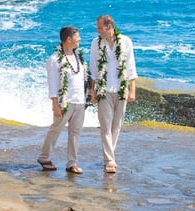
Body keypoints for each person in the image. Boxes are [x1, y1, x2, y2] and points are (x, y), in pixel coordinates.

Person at [38, 26, 89, 174]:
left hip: (80, 101)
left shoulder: (79, 57)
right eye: (77, 37)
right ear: (69, 39)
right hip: (64, 102)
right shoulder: (55, 59)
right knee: (55, 129)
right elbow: (53, 83)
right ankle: (44, 157)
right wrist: (55, 104)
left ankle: (72, 163)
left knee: (75, 133)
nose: (79, 39)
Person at [89, 14, 137, 173]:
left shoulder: (126, 42)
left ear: (109, 27)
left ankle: (109, 155)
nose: (97, 31)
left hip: (121, 89)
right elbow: (93, 70)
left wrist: (132, 90)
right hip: (104, 91)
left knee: (116, 126)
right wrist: (92, 92)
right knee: (105, 127)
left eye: (99, 28)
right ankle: (110, 160)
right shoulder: (96, 43)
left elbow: (131, 67)